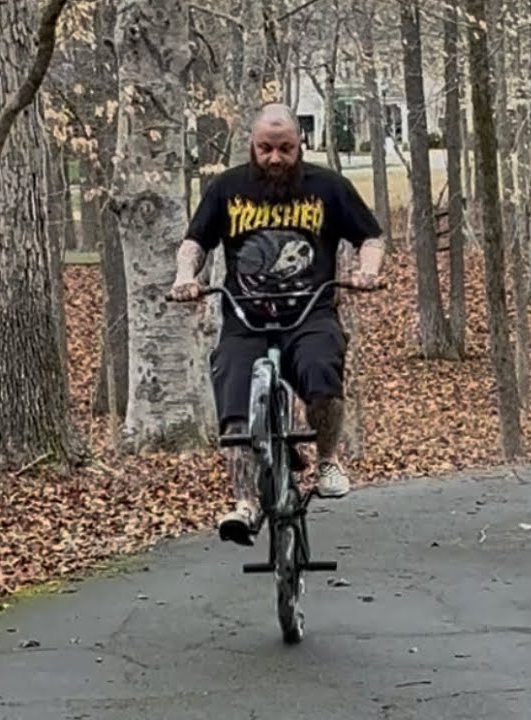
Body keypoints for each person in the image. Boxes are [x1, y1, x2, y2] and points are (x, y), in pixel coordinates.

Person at [168, 103, 386, 547]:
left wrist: (366, 270)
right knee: (232, 399)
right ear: (252, 144)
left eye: (285, 148)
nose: (275, 158)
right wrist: (185, 278)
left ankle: (326, 459)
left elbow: (371, 236)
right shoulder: (227, 188)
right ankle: (246, 503)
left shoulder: (327, 186)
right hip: (246, 318)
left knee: (324, 371)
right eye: (266, 148)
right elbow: (195, 242)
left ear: (299, 144)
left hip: (309, 314)